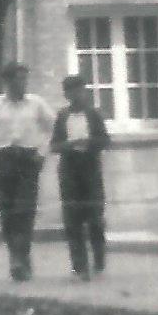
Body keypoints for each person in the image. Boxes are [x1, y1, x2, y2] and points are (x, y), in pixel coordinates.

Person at [0, 61, 58, 281]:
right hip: (3, 160)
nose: (22, 83)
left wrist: (43, 151)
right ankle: (16, 255)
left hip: (28, 160)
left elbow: (54, 128)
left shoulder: (36, 104)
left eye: (24, 79)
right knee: (7, 210)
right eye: (17, 79)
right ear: (7, 81)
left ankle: (20, 258)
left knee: (25, 210)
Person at [50, 72, 112, 280]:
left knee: (95, 217)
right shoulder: (62, 116)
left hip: (90, 170)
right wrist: (67, 146)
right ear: (66, 95)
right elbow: (54, 145)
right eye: (71, 92)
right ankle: (79, 265)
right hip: (69, 171)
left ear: (85, 92)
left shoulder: (94, 114)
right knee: (72, 219)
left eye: (79, 91)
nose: (76, 95)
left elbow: (104, 140)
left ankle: (99, 259)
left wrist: (88, 143)